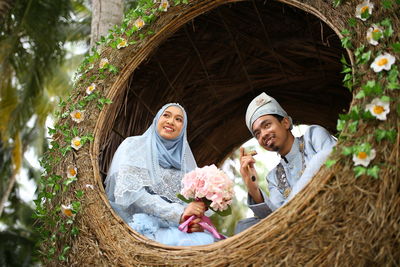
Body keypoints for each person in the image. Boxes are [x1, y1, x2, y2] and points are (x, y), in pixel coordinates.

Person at [105, 103, 215, 246]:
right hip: (133, 227)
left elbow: (186, 206)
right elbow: (133, 194)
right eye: (166, 115)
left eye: (178, 119)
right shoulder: (134, 146)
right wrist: (179, 214)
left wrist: (191, 221)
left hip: (173, 230)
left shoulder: (185, 167)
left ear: (183, 129)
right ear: (157, 119)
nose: (170, 121)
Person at [235, 92, 336, 233]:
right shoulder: (273, 177)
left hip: (336, 210)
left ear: (285, 123)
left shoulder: (313, 136)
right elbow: (275, 220)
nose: (263, 134)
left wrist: (288, 207)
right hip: (304, 232)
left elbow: (331, 156)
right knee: (244, 226)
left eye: (267, 125)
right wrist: (252, 186)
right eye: (257, 133)